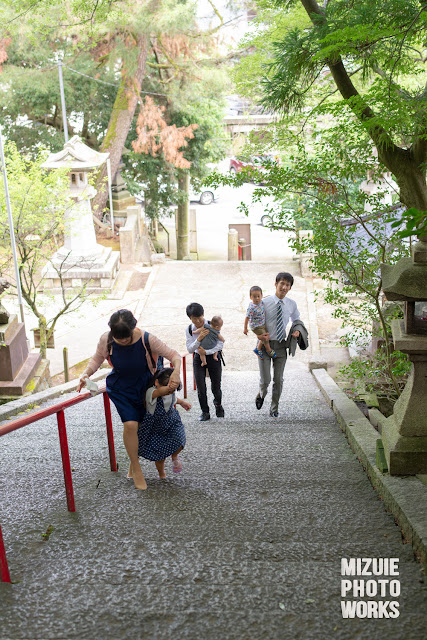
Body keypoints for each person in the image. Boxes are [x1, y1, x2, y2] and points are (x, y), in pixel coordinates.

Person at [77, 309, 181, 491]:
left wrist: (177, 373)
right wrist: (85, 374)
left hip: (144, 386)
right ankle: (137, 468)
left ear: (134, 327)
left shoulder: (147, 339)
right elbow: (97, 358)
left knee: (142, 425)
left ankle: (133, 465)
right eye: (119, 339)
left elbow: (175, 356)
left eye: (126, 338)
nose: (123, 341)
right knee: (131, 425)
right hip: (121, 387)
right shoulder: (106, 340)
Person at [255, 272, 301, 418]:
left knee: (278, 379)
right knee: (266, 380)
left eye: (287, 285)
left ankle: (274, 409)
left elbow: (297, 321)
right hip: (264, 344)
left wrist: (297, 331)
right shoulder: (264, 302)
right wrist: (258, 334)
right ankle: (261, 393)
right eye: (282, 283)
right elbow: (255, 320)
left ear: (290, 288)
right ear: (276, 284)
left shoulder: (291, 304)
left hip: (281, 346)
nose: (284, 287)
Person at [137, 368, 191, 479]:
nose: (169, 392)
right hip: (155, 426)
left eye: (172, 390)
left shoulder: (170, 393)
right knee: (159, 454)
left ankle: (175, 456)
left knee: (180, 438)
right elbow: (162, 392)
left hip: (172, 421)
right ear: (157, 382)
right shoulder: (151, 392)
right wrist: (170, 387)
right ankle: (162, 474)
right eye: (168, 389)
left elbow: (174, 399)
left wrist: (182, 403)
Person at [185, 302, 225, 421]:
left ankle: (218, 404)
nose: (197, 321)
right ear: (190, 318)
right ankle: (205, 412)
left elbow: (221, 343)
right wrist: (198, 339)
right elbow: (189, 349)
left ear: (203, 315)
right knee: (201, 387)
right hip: (198, 358)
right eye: (194, 319)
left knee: (216, 386)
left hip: (213, 356)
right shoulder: (189, 329)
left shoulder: (212, 324)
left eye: (199, 317)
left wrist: (207, 352)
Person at [243, 285, 276, 359]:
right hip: (256, 326)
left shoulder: (261, 302)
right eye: (254, 296)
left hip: (262, 323)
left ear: (261, 296)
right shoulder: (252, 307)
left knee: (266, 334)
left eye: (258, 296)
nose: (257, 298)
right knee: (265, 337)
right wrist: (245, 328)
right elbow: (247, 318)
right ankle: (268, 350)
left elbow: (265, 298)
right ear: (250, 297)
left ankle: (257, 349)